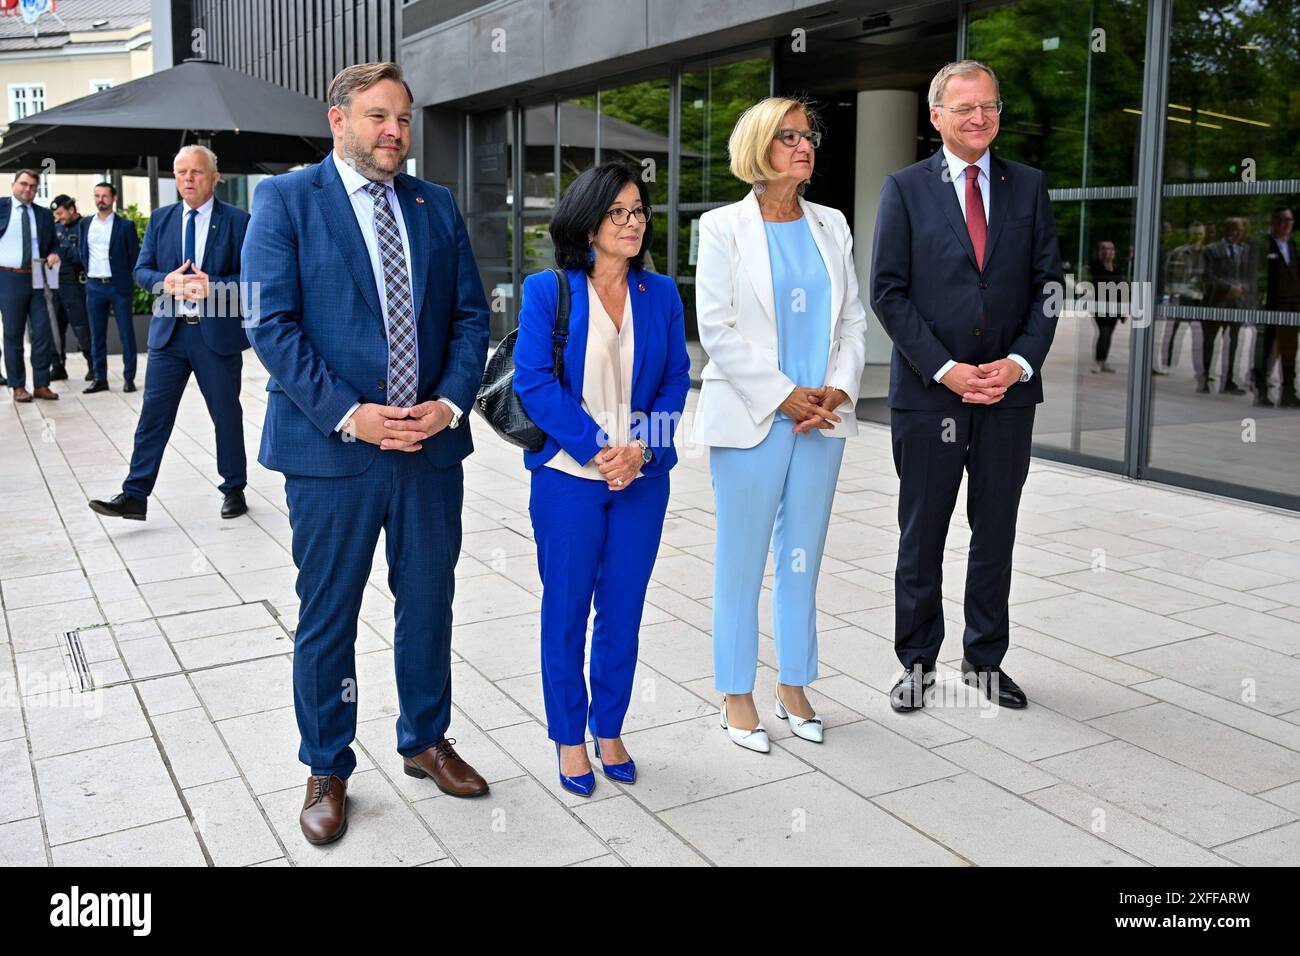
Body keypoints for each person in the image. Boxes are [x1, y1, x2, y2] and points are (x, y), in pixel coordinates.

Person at [242, 62, 491, 846]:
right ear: (338, 119)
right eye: (379, 116)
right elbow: (271, 326)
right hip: (333, 454)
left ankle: (424, 738)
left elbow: (470, 316)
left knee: (428, 603)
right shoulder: (285, 201)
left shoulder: (435, 204)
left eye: (405, 119)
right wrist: (354, 416)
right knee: (329, 616)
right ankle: (326, 764)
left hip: (428, 449)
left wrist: (447, 404)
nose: (395, 132)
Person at [870, 59, 1062, 712]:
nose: (979, 117)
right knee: (923, 535)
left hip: (1008, 397)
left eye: (990, 106)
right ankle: (917, 664)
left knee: (996, 532)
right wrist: (948, 369)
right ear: (936, 117)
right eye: (964, 108)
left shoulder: (1028, 186)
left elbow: (1049, 290)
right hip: (929, 397)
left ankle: (985, 661)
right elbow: (888, 294)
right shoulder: (904, 189)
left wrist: (1019, 363)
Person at [691, 96, 868, 752]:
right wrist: (785, 394)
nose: (804, 146)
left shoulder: (832, 224)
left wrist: (837, 390)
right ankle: (736, 694)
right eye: (788, 136)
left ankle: (794, 685)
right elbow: (717, 327)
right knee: (741, 561)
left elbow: (852, 320)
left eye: (808, 136)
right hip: (753, 417)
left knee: (803, 558)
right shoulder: (721, 227)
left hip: (821, 420)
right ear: (759, 148)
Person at [514, 162, 691, 796]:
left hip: (642, 479)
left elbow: (676, 381)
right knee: (566, 608)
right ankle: (568, 737)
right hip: (568, 477)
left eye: (639, 211)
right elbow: (534, 383)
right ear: (588, 223)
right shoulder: (547, 290)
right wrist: (598, 451)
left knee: (623, 609)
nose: (633, 222)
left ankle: (609, 727)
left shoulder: (662, 293)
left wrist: (642, 450)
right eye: (618, 212)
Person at [88, 146, 252, 523]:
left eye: (196, 172)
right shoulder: (161, 220)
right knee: (153, 416)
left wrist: (215, 286)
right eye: (181, 173)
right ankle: (135, 495)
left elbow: (254, 279)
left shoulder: (238, 221)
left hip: (216, 336)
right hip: (169, 336)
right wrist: (167, 282)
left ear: (214, 176)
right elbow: (141, 271)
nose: (188, 179)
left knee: (226, 415)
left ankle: (234, 488)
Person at [0, 169, 60, 401]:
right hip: (8, 277)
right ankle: (18, 386)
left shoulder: (44, 215)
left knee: (42, 332)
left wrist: (54, 253)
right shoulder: (2, 207)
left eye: (33, 186)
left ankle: (41, 384)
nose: (28, 189)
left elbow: (53, 244)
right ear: (13, 184)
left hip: (38, 275)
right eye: (24, 184)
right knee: (13, 333)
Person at [79, 181, 140, 393]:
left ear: (114, 198)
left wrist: (127, 280)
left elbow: (134, 257)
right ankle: (99, 377)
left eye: (105, 195)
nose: (100, 199)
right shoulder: (86, 224)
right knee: (96, 334)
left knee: (126, 333)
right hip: (94, 285)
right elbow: (82, 251)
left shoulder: (125, 226)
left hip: (118, 286)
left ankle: (129, 378)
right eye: (97, 195)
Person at [1251, 207, 1299, 408]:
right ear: (1273, 222)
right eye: (1282, 220)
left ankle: (1288, 392)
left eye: (1289, 220)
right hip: (1270, 305)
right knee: (1267, 350)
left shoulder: (1292, 244)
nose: (1286, 223)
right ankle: (1261, 392)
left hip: (1290, 306)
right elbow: (1257, 274)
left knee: (1290, 350)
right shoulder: (1264, 246)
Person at [1201, 216, 1253, 395]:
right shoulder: (1211, 250)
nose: (1239, 234)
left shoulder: (1245, 250)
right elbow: (1207, 276)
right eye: (1236, 230)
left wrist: (1243, 288)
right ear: (1228, 231)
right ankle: (1205, 377)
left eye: (1241, 230)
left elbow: (1248, 274)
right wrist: (1228, 287)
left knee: (1234, 343)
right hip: (1217, 302)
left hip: (1237, 303)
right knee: (1210, 341)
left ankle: (1229, 379)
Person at [48, 196, 92, 383]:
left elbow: (85, 256)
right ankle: (58, 366)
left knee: (81, 327)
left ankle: (93, 366)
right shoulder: (55, 229)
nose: (59, 217)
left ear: (71, 209)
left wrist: (63, 252)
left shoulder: (84, 226)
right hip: (54, 284)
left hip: (75, 285)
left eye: (61, 213)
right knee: (55, 328)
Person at [1088, 239, 1126, 374]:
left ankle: (1103, 361)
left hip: (1115, 307)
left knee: (1109, 334)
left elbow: (1122, 288)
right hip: (1101, 306)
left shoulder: (1117, 269)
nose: (1108, 251)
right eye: (1105, 249)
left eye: (1111, 249)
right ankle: (1098, 361)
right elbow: (1097, 283)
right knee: (1103, 333)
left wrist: (1123, 311)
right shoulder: (1096, 267)